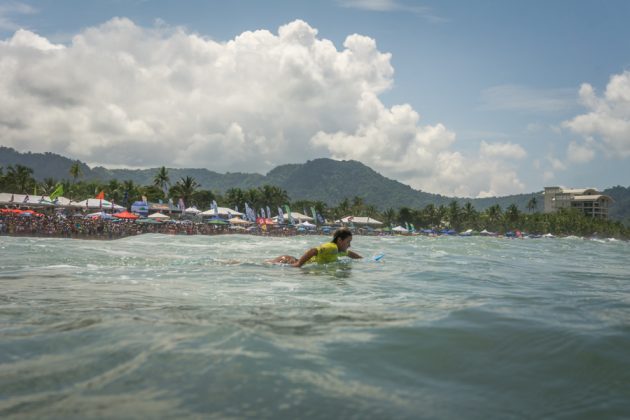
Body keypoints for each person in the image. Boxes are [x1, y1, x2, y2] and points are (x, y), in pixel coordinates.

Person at [269, 227, 362, 267]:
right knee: (267, 264)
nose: (349, 245)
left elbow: (349, 253)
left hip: (292, 260)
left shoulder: (339, 250)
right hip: (288, 261)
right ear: (340, 240)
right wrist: (298, 264)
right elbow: (313, 250)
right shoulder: (332, 247)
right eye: (348, 242)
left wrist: (363, 260)